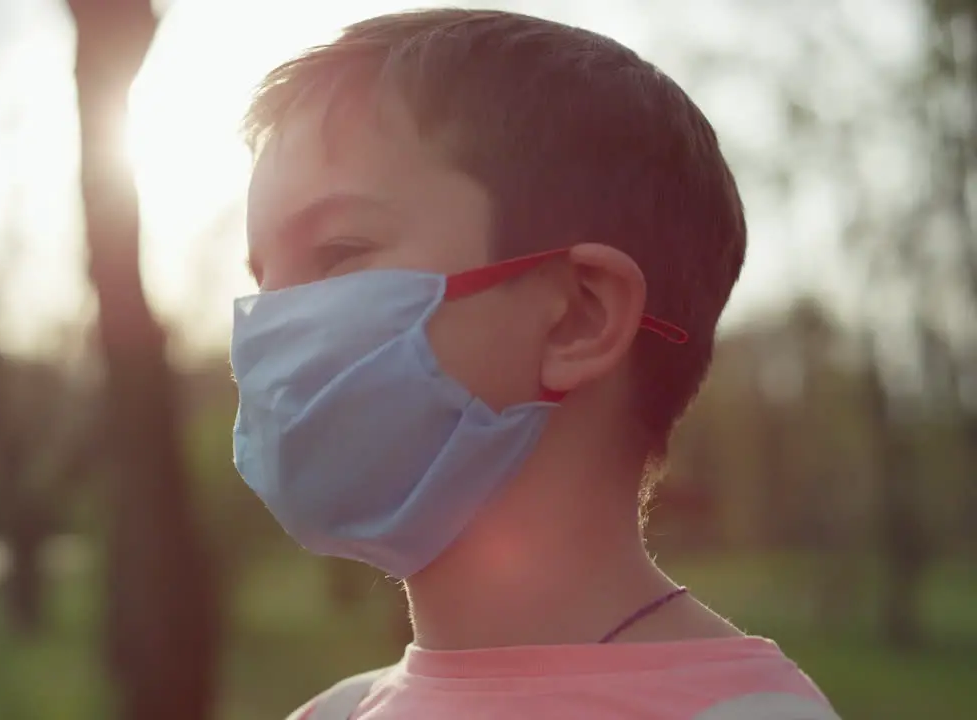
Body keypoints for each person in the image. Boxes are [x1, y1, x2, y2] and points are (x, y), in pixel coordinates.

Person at [228, 8, 838, 720]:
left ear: (578, 316)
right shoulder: (332, 713)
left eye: (337, 253)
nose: (269, 330)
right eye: (263, 278)